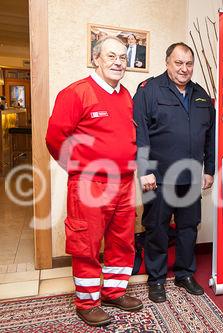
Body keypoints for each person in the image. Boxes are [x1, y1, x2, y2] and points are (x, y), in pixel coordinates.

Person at [45, 36, 143, 327]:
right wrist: (79, 168)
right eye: (111, 56)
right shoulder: (76, 93)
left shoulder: (125, 95)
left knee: (121, 242)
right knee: (86, 244)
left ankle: (114, 292)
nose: (118, 62)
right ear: (96, 58)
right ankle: (87, 302)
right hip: (90, 184)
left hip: (124, 183)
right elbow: (54, 139)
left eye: (123, 58)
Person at [133, 42, 215, 302]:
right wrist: (144, 170)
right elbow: (140, 133)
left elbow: (210, 137)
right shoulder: (149, 91)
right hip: (158, 177)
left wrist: (209, 169)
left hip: (191, 177)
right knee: (156, 229)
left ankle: (184, 273)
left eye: (189, 63)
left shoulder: (201, 95)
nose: (184, 69)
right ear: (167, 62)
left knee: (189, 228)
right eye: (178, 63)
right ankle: (156, 279)